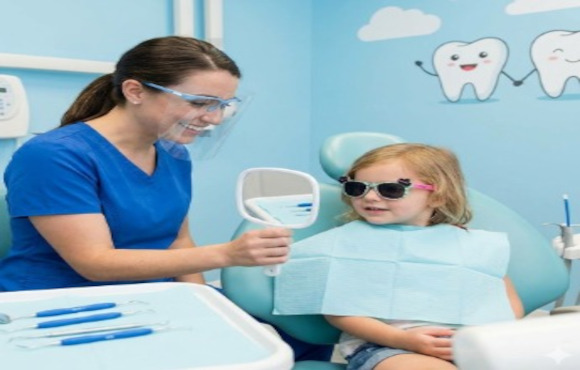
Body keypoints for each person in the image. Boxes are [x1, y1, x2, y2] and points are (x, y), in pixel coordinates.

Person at [0, 36, 332, 361]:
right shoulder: (54, 156)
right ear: (135, 91)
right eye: (199, 103)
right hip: (63, 302)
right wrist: (227, 254)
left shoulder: (172, 152)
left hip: (153, 294)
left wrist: (204, 304)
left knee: (295, 343)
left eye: (222, 107)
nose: (213, 118)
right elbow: (95, 263)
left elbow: (178, 239)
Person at [274, 143, 524, 370]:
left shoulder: (462, 242)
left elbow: (499, 291)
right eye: (357, 188)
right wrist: (403, 339)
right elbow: (338, 311)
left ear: (437, 195)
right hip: (386, 347)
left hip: (470, 343)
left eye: (391, 189)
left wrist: (494, 335)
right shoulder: (348, 244)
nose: (369, 197)